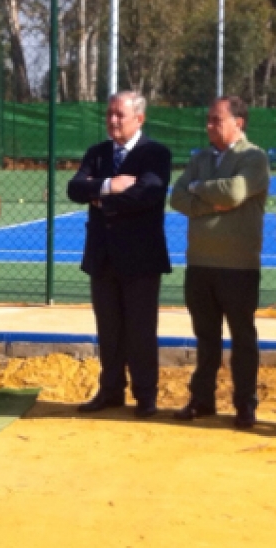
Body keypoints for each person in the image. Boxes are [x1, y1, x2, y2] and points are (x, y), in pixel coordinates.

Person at [67, 91, 172, 418]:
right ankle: (111, 391)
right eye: (109, 114)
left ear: (139, 119)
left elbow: (148, 193)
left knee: (140, 331)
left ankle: (146, 395)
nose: (112, 120)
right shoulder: (97, 153)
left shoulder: (155, 153)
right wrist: (111, 185)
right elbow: (74, 188)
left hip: (141, 259)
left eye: (119, 115)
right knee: (108, 330)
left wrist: (100, 199)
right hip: (102, 257)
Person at [169, 96, 270, 429]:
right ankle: (202, 400)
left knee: (242, 338)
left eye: (216, 120)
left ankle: (245, 405)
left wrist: (200, 190)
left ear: (238, 122)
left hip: (238, 267)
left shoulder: (254, 157)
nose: (209, 125)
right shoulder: (200, 158)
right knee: (205, 338)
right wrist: (209, 204)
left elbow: (236, 193)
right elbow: (178, 196)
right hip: (200, 265)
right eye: (209, 119)